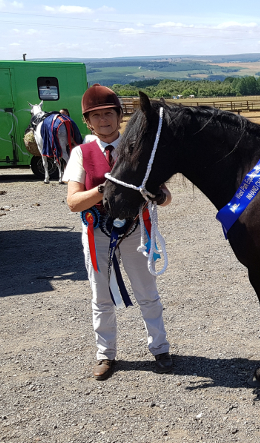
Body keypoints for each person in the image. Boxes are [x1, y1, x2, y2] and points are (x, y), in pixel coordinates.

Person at [63, 84, 173, 380]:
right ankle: (106, 354)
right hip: (97, 232)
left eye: (108, 113)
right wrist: (105, 189)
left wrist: (158, 196)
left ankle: (160, 348)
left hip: (136, 230)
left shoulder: (137, 149)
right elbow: (73, 202)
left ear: (119, 115)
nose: (103, 121)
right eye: (96, 116)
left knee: (147, 292)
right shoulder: (80, 154)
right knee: (101, 295)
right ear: (87, 121)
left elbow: (166, 195)